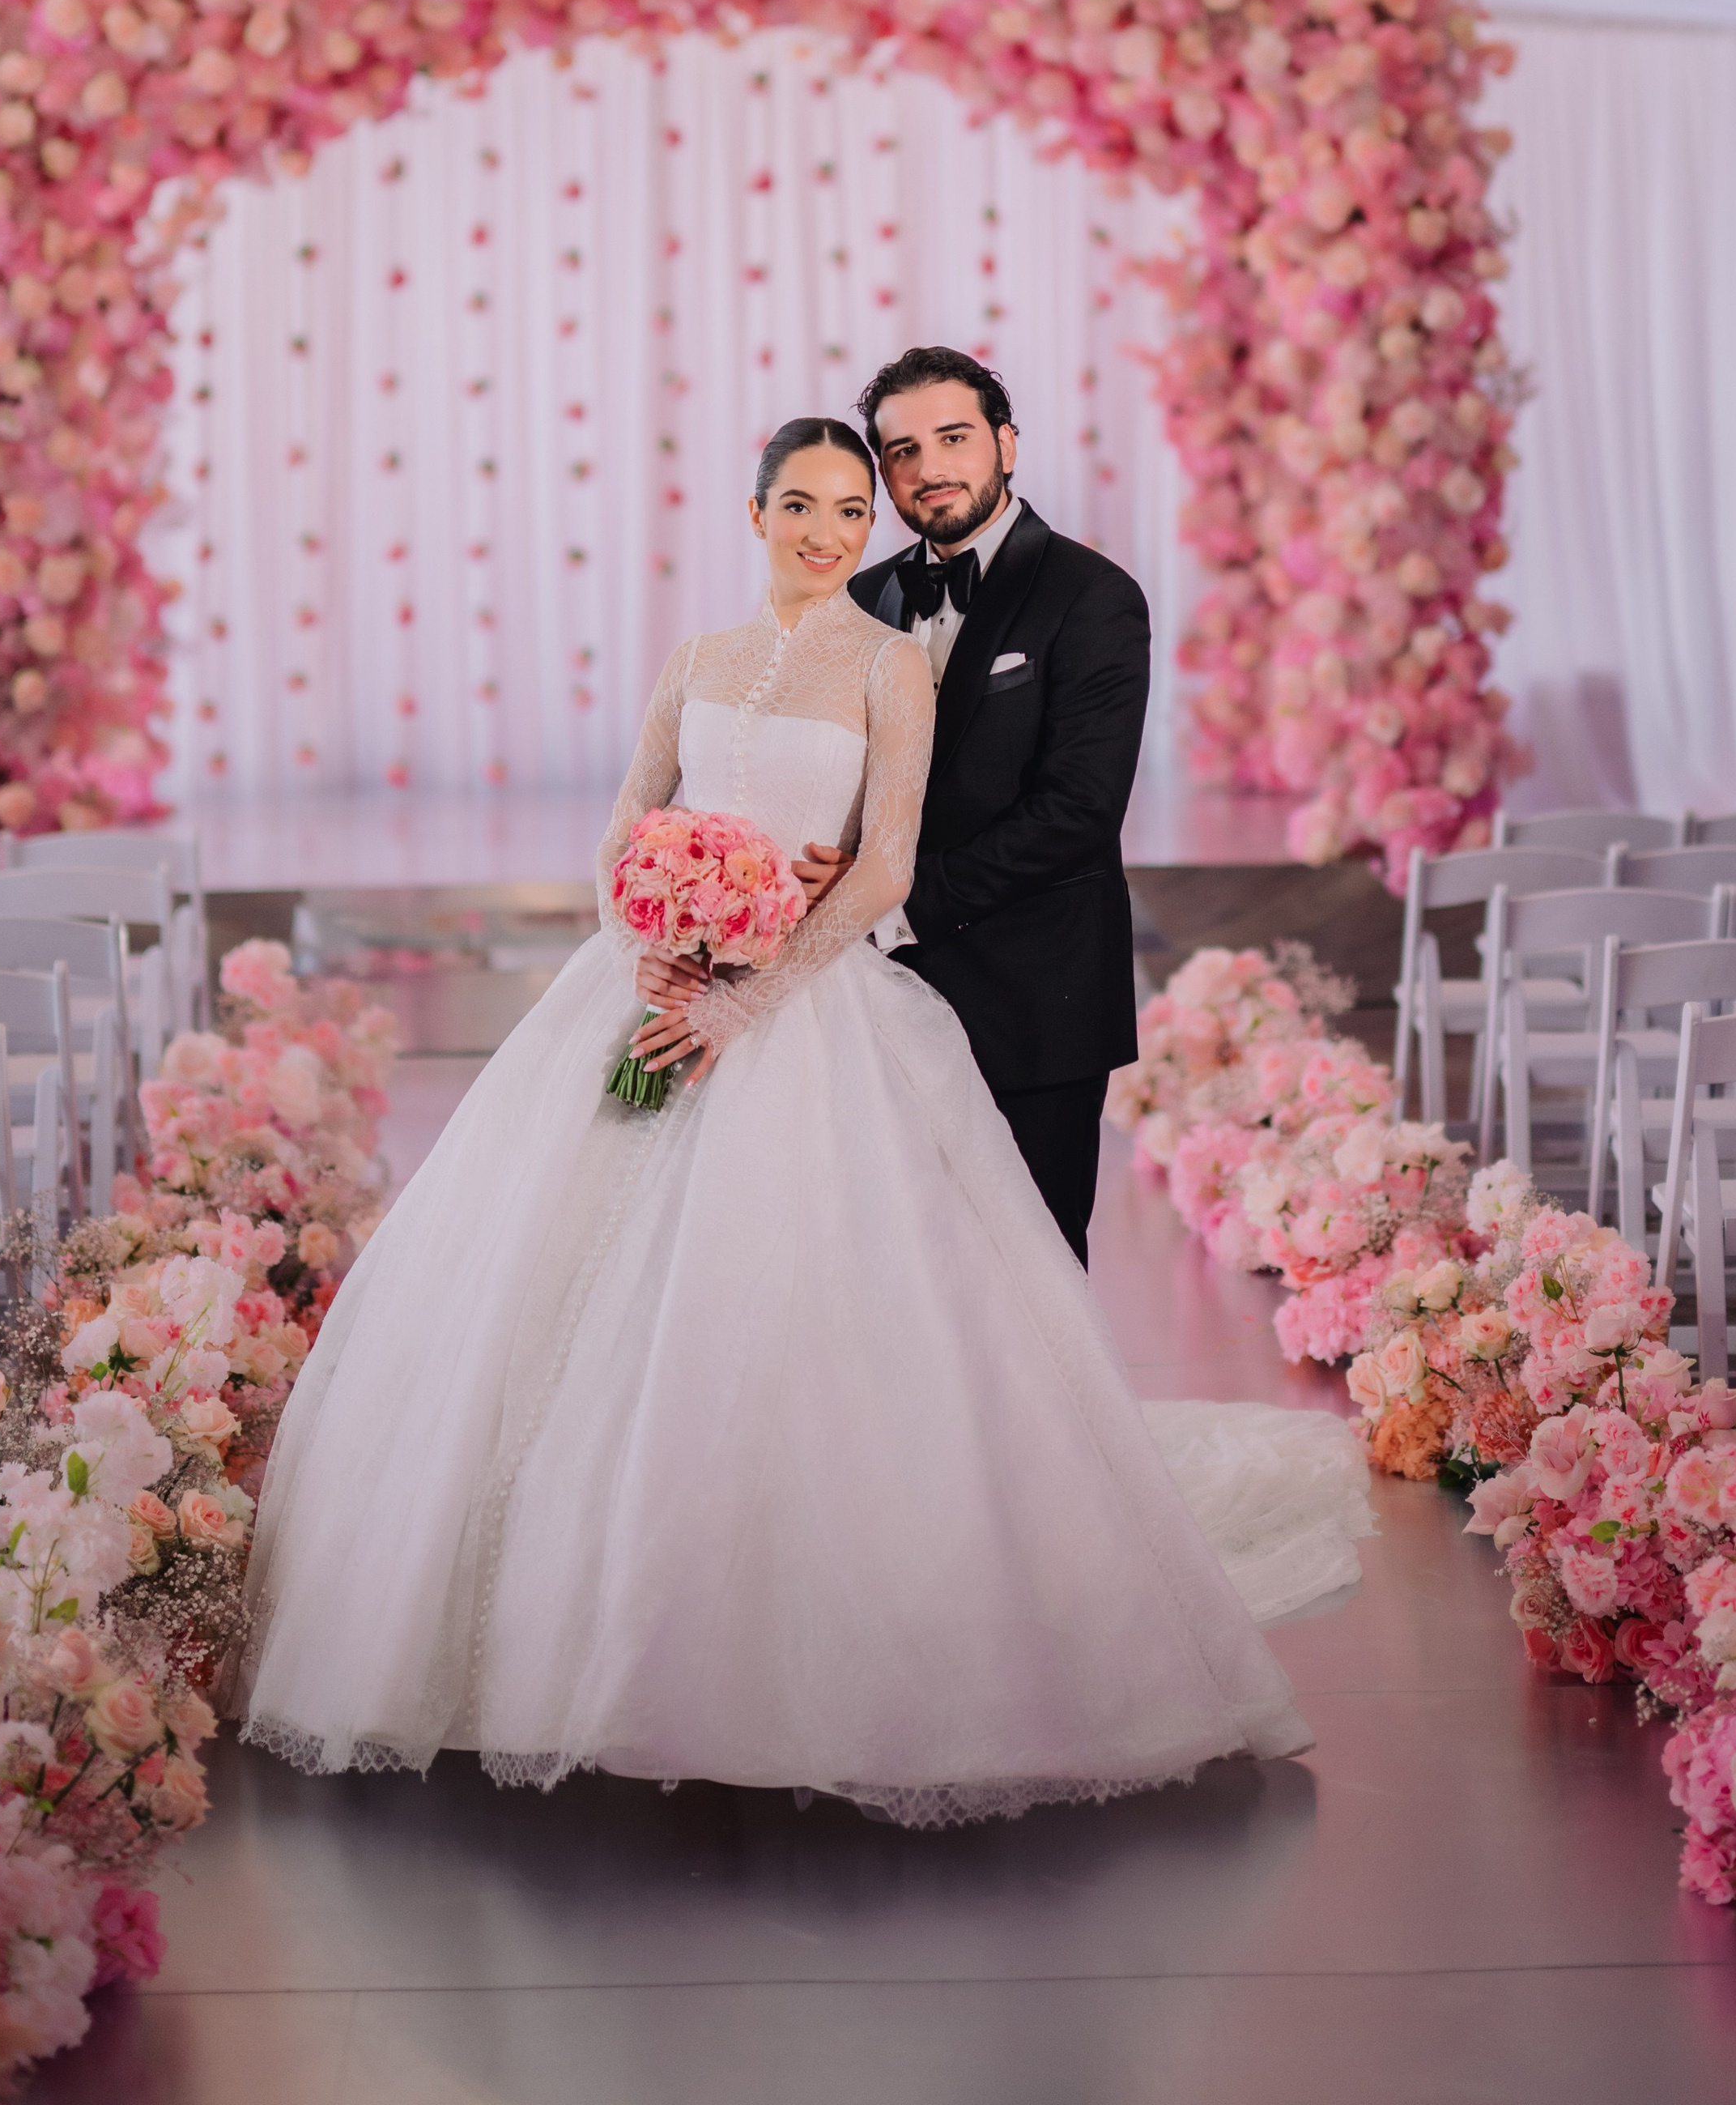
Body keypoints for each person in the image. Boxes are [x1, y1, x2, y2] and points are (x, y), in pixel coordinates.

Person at [239, 418, 1368, 1821]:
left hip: (798, 1008)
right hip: (640, 992)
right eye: (802, 504)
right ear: (755, 509)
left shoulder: (893, 663)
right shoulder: (697, 660)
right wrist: (646, 938)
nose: (830, 529)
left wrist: (738, 998)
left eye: (852, 506)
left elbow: (886, 853)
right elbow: (624, 828)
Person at [837, 345, 1147, 1267]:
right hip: (882, 1001)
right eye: (901, 451)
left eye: (954, 437)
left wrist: (890, 901)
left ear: (1007, 445)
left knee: (1033, 1269)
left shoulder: (1092, 597)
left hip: (1034, 997)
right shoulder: (862, 597)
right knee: (898, 1267)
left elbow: (1079, 811)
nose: (928, 467)